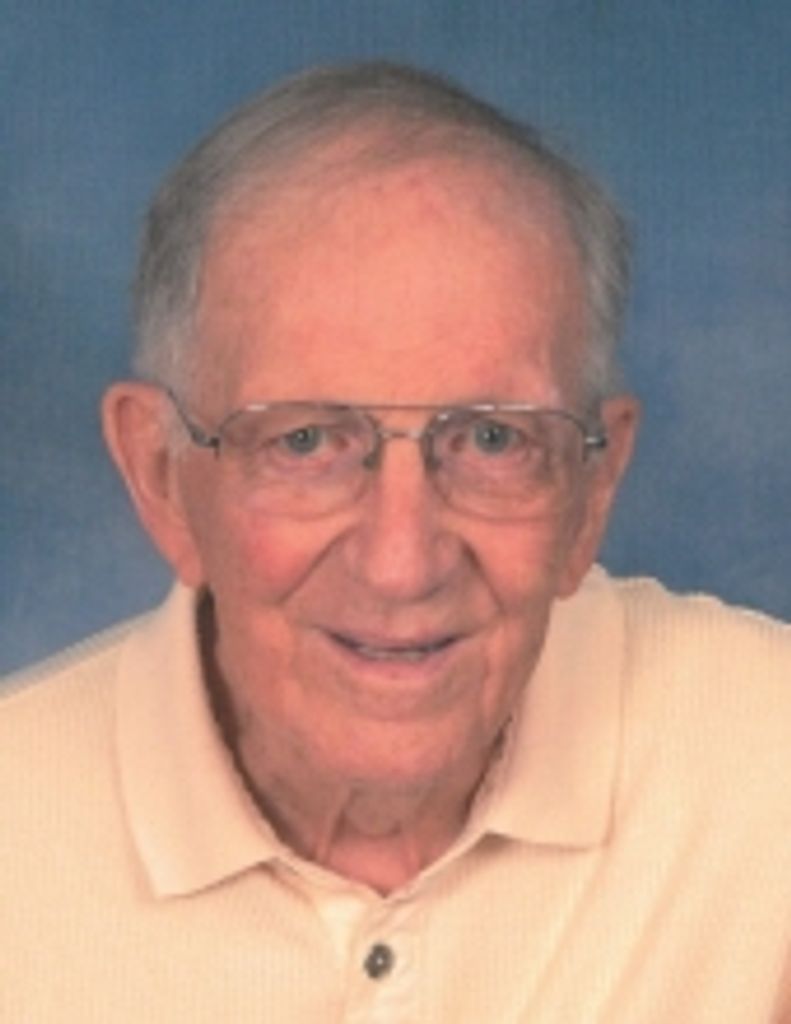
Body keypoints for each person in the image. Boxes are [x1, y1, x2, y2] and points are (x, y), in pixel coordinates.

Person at [2, 61, 791, 1023]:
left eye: (492, 440)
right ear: (163, 477)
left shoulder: (767, 761)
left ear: (592, 488)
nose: (401, 564)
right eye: (305, 442)